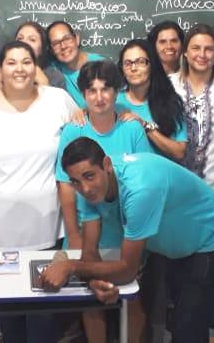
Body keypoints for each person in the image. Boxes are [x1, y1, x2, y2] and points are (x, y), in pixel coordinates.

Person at [0, 41, 79, 343]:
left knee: (44, 315)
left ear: (36, 68)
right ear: (0, 69)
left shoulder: (58, 100)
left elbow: (81, 133)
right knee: (9, 315)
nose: (19, 68)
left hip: (48, 229)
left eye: (26, 62)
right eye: (11, 62)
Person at [44, 138, 214, 343]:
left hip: (205, 232)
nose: (85, 188)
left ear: (106, 165)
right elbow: (90, 251)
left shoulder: (140, 189)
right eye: (76, 181)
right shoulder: (86, 188)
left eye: (89, 176)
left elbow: (126, 270)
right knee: (172, 308)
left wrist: (70, 267)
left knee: (187, 320)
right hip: (168, 237)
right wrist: (95, 281)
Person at [56, 60, 152, 343]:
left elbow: (143, 178)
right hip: (88, 231)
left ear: (116, 92)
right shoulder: (73, 130)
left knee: (132, 299)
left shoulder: (131, 128)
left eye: (105, 89)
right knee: (92, 301)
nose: (99, 97)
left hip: (127, 232)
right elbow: (65, 186)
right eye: (91, 91)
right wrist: (73, 235)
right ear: (83, 95)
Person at [169, 24, 214, 342]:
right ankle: (180, 330)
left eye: (209, 49)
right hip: (178, 191)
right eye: (196, 48)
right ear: (185, 51)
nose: (202, 55)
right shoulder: (168, 85)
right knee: (180, 263)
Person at [116, 39, 187, 161]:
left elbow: (180, 152)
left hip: (163, 176)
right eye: (128, 63)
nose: (133, 68)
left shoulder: (170, 102)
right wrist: (81, 112)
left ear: (151, 66)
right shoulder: (114, 101)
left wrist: (145, 126)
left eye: (140, 62)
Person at [47, 21, 105, 108]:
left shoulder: (101, 65)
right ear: (51, 50)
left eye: (67, 39)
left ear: (77, 39)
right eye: (56, 44)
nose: (63, 46)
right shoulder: (53, 71)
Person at [15, 21, 65, 88]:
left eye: (32, 40)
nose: (24, 43)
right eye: (20, 38)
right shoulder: (4, 71)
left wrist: (44, 84)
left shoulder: (54, 76)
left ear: (42, 47)